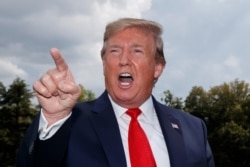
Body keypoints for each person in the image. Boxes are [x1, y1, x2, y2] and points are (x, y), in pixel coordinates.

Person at [16, 18, 215, 167]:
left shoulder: (194, 129)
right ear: (104, 65)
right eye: (114, 51)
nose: (123, 60)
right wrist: (53, 117)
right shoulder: (67, 123)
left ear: (157, 68)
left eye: (137, 51)